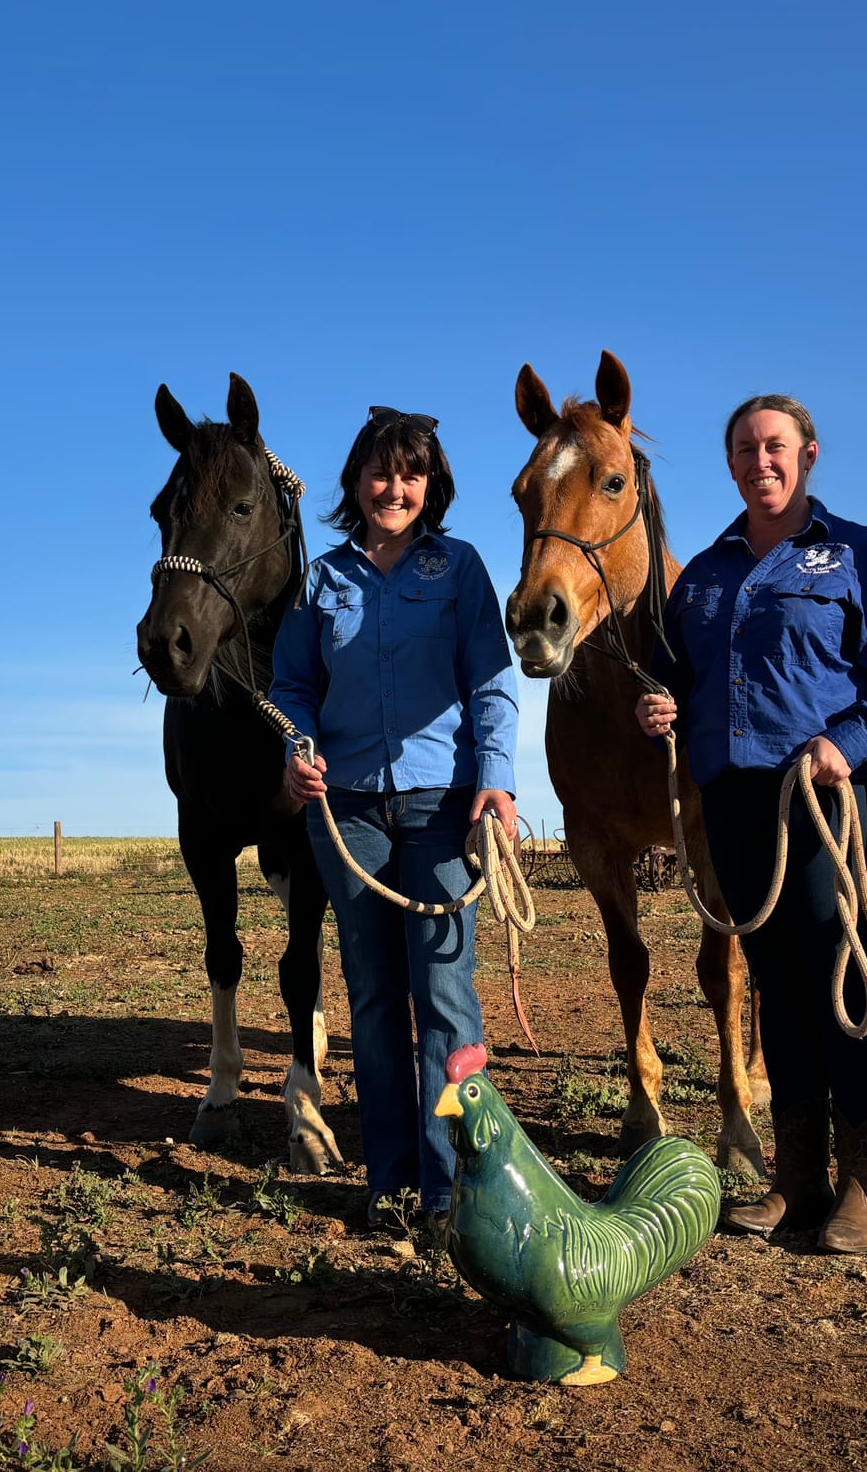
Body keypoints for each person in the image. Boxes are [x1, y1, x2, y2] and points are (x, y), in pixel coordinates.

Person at [635, 394, 867, 1253]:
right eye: (744, 448)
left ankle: (863, 1185)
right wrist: (658, 706)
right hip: (734, 804)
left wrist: (850, 742)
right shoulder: (704, 574)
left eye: (774, 446)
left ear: (807, 454)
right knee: (776, 982)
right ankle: (799, 1181)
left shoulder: (858, 554)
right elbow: (672, 671)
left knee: (843, 979)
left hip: (825, 800)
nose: (759, 461)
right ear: (730, 464)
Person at [271, 406, 519, 1230]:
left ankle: (455, 1187)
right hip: (345, 810)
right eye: (380, 472)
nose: (394, 488)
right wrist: (298, 745)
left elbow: (491, 681)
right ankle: (392, 1181)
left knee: (444, 993)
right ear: (356, 482)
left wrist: (498, 780)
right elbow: (292, 684)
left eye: (411, 474)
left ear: (431, 485)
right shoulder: (322, 580)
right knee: (374, 997)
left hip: (442, 804)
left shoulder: (460, 568)